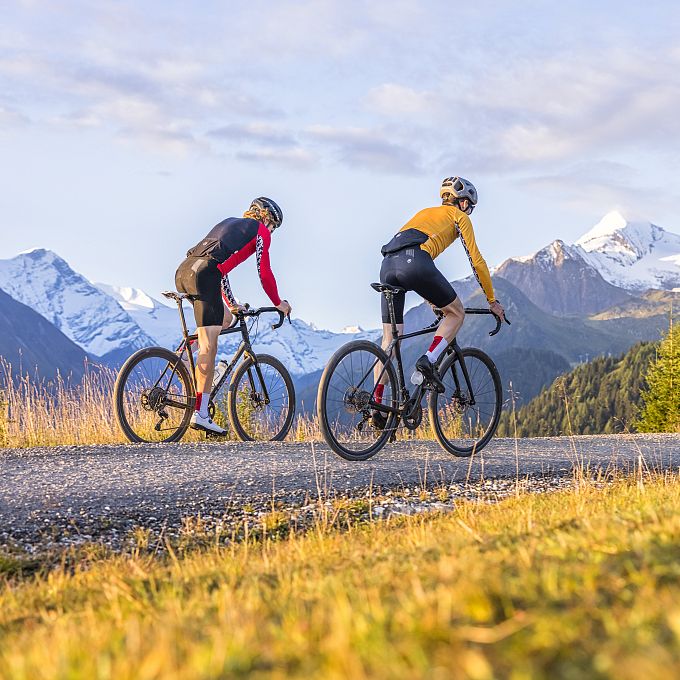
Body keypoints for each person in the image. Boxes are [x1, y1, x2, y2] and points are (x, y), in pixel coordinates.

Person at [373, 177, 505, 426]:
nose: (469, 212)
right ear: (463, 202)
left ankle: (377, 406)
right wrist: (492, 300)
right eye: (470, 206)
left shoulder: (425, 212)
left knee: (390, 342)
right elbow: (476, 261)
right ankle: (429, 360)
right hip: (416, 262)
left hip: (387, 265)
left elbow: (404, 259)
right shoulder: (459, 217)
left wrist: (430, 299)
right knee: (456, 313)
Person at [175, 197, 292, 434]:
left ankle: (182, 358)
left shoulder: (230, 224)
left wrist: (232, 303)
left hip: (185, 271)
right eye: (274, 226)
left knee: (225, 319)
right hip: (205, 275)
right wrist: (279, 303)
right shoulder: (260, 231)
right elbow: (264, 271)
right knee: (210, 347)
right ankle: (201, 413)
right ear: (266, 217)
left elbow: (221, 268)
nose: (272, 232)